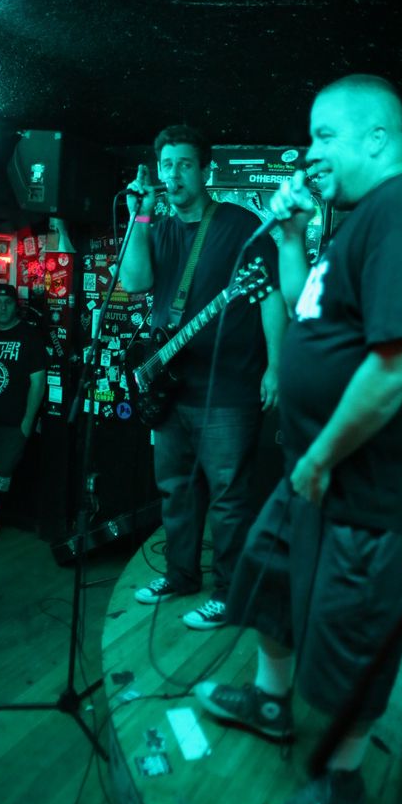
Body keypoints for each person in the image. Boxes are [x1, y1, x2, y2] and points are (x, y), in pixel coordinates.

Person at [194, 75, 402, 804]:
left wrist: (321, 456)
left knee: (350, 630)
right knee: (270, 575)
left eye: (324, 135)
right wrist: (289, 238)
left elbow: (395, 366)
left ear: (376, 137)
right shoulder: (355, 221)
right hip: (311, 463)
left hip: (358, 480)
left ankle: (343, 779)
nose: (310, 152)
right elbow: (305, 311)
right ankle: (271, 700)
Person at [120, 124, 287, 630]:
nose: (174, 174)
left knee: (229, 499)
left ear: (205, 170)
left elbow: (271, 297)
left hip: (229, 389)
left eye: (184, 165)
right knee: (175, 489)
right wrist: (140, 216)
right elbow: (134, 281)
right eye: (167, 165)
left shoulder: (239, 225)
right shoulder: (159, 227)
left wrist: (276, 365)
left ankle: (230, 594)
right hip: (171, 389)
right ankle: (180, 575)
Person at [0, 284, 47, 540]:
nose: (2, 307)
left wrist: (27, 423)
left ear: (16, 306)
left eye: (8, 302)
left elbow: (38, 382)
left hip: (13, 425)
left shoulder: (29, 336)